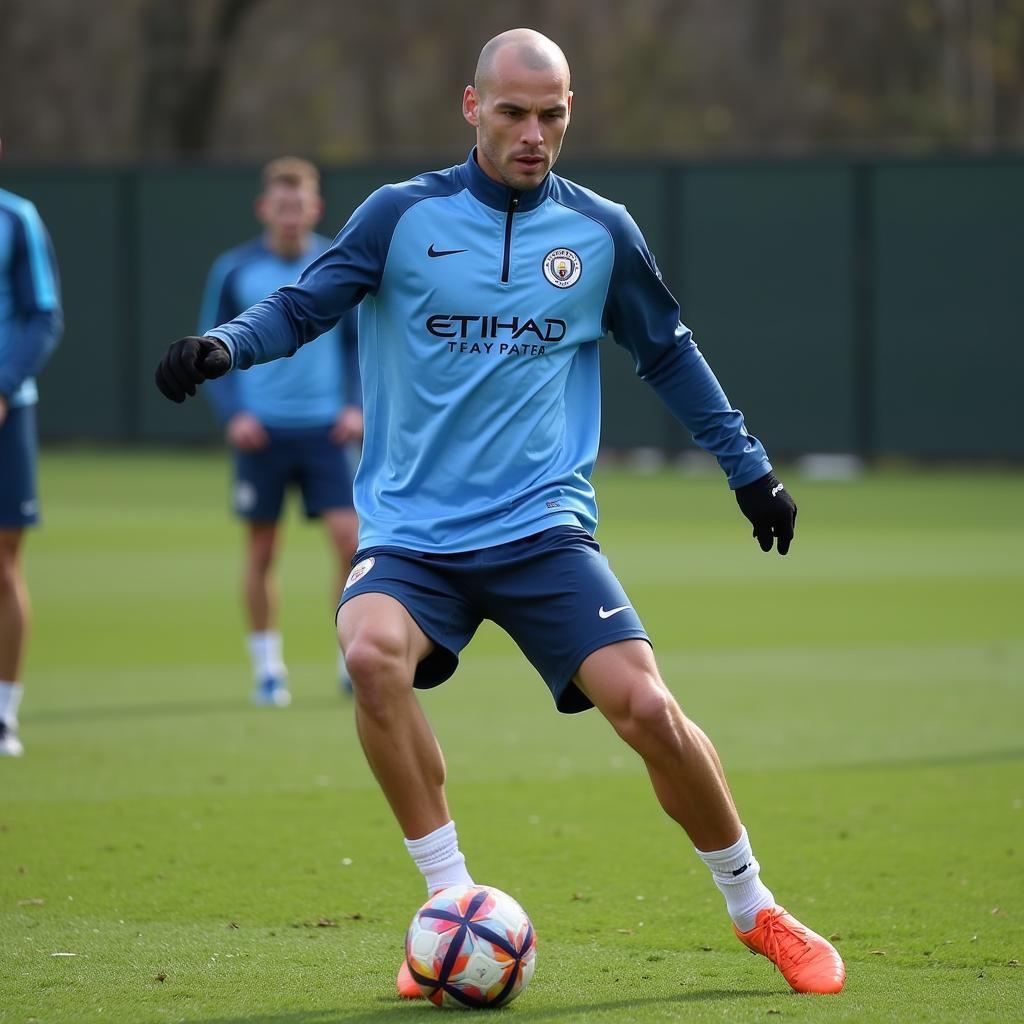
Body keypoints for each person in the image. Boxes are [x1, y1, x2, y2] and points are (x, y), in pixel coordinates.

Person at [155, 29, 844, 996]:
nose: (534, 133)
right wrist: (226, 346)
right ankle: (450, 901)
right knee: (367, 656)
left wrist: (749, 471)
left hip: (541, 528)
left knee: (648, 708)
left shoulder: (599, 232)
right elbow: (305, 304)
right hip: (412, 535)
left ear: (570, 114)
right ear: (472, 107)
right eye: (514, 112)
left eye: (552, 114)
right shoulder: (401, 216)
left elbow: (669, 354)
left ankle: (755, 908)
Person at [197, 157, 362, 706]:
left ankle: (350, 657)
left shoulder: (335, 263)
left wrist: (355, 406)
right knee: (263, 550)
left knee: (350, 541)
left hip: (325, 432)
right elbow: (210, 345)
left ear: (315, 208)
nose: (290, 216)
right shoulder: (235, 269)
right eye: (280, 206)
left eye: (301, 206)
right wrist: (234, 415)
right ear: (263, 208)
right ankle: (268, 669)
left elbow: (360, 344)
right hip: (262, 434)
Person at [0, 138, 63, 757]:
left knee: (3, 565)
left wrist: (2, 386)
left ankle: (4, 713)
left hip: (5, 413)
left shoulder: (16, 218)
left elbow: (43, 316)